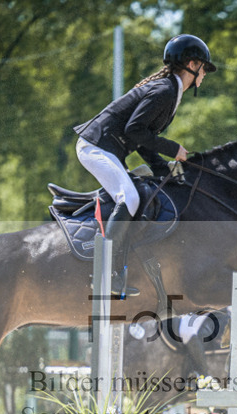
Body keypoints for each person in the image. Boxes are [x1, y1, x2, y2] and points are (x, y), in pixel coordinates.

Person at [74, 34, 216, 298]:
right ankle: (105, 273)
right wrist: (173, 149)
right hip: (95, 146)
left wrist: (163, 169)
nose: (205, 74)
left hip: (108, 148)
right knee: (128, 198)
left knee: (140, 191)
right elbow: (135, 130)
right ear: (192, 65)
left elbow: (143, 139)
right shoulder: (165, 91)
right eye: (204, 68)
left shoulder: (170, 91)